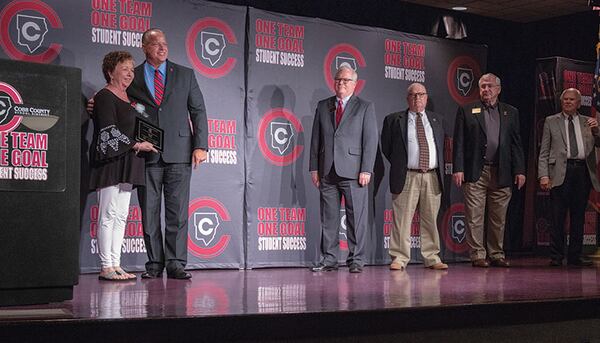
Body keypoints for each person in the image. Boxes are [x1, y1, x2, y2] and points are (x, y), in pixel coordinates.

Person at [127, 28, 209, 280]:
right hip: (147, 155)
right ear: (144, 47)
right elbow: (122, 103)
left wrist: (200, 145)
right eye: (155, 44)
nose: (162, 48)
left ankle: (175, 263)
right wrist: (97, 101)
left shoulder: (185, 74)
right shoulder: (134, 75)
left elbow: (198, 111)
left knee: (177, 212)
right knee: (149, 212)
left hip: (180, 153)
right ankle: (154, 263)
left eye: (164, 43)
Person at [90, 51, 157, 281]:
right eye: (124, 68)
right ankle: (106, 266)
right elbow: (108, 133)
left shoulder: (133, 101)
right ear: (110, 71)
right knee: (108, 214)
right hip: (111, 161)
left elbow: (147, 116)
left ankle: (116, 264)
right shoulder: (104, 96)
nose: (130, 73)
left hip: (129, 160)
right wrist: (138, 144)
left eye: (131, 69)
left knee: (121, 216)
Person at [309, 65, 378, 273]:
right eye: (338, 79)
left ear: (355, 84)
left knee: (355, 217)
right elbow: (315, 139)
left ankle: (356, 260)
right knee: (328, 217)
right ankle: (329, 259)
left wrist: (366, 169)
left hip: (354, 171)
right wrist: (314, 168)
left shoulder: (365, 106)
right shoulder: (323, 106)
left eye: (346, 80)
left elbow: (370, 140)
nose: (341, 83)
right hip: (327, 170)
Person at [452, 73, 525, 268]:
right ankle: (477, 255)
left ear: (498, 89)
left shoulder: (511, 112)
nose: (486, 90)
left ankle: (496, 253)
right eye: (483, 86)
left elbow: (516, 144)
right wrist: (458, 168)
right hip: (476, 171)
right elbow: (459, 142)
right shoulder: (467, 110)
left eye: (490, 86)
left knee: (498, 217)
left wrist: (520, 170)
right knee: (474, 216)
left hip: (502, 172)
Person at [381, 83, 448, 271]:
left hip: (432, 176)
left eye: (421, 94)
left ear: (426, 97)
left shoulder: (437, 120)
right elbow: (387, 148)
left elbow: (442, 147)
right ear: (407, 98)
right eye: (413, 95)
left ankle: (432, 257)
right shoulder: (394, 120)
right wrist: (404, 163)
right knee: (401, 219)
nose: (417, 98)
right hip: (407, 175)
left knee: (430, 219)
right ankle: (400, 258)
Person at [538, 88, 600, 267]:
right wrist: (543, 175)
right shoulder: (551, 121)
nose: (568, 102)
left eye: (572, 99)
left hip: (582, 172)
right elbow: (544, 152)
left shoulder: (587, 122)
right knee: (557, 217)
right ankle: (556, 256)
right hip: (559, 173)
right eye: (565, 99)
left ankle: (575, 256)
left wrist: (596, 131)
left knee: (578, 216)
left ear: (579, 103)